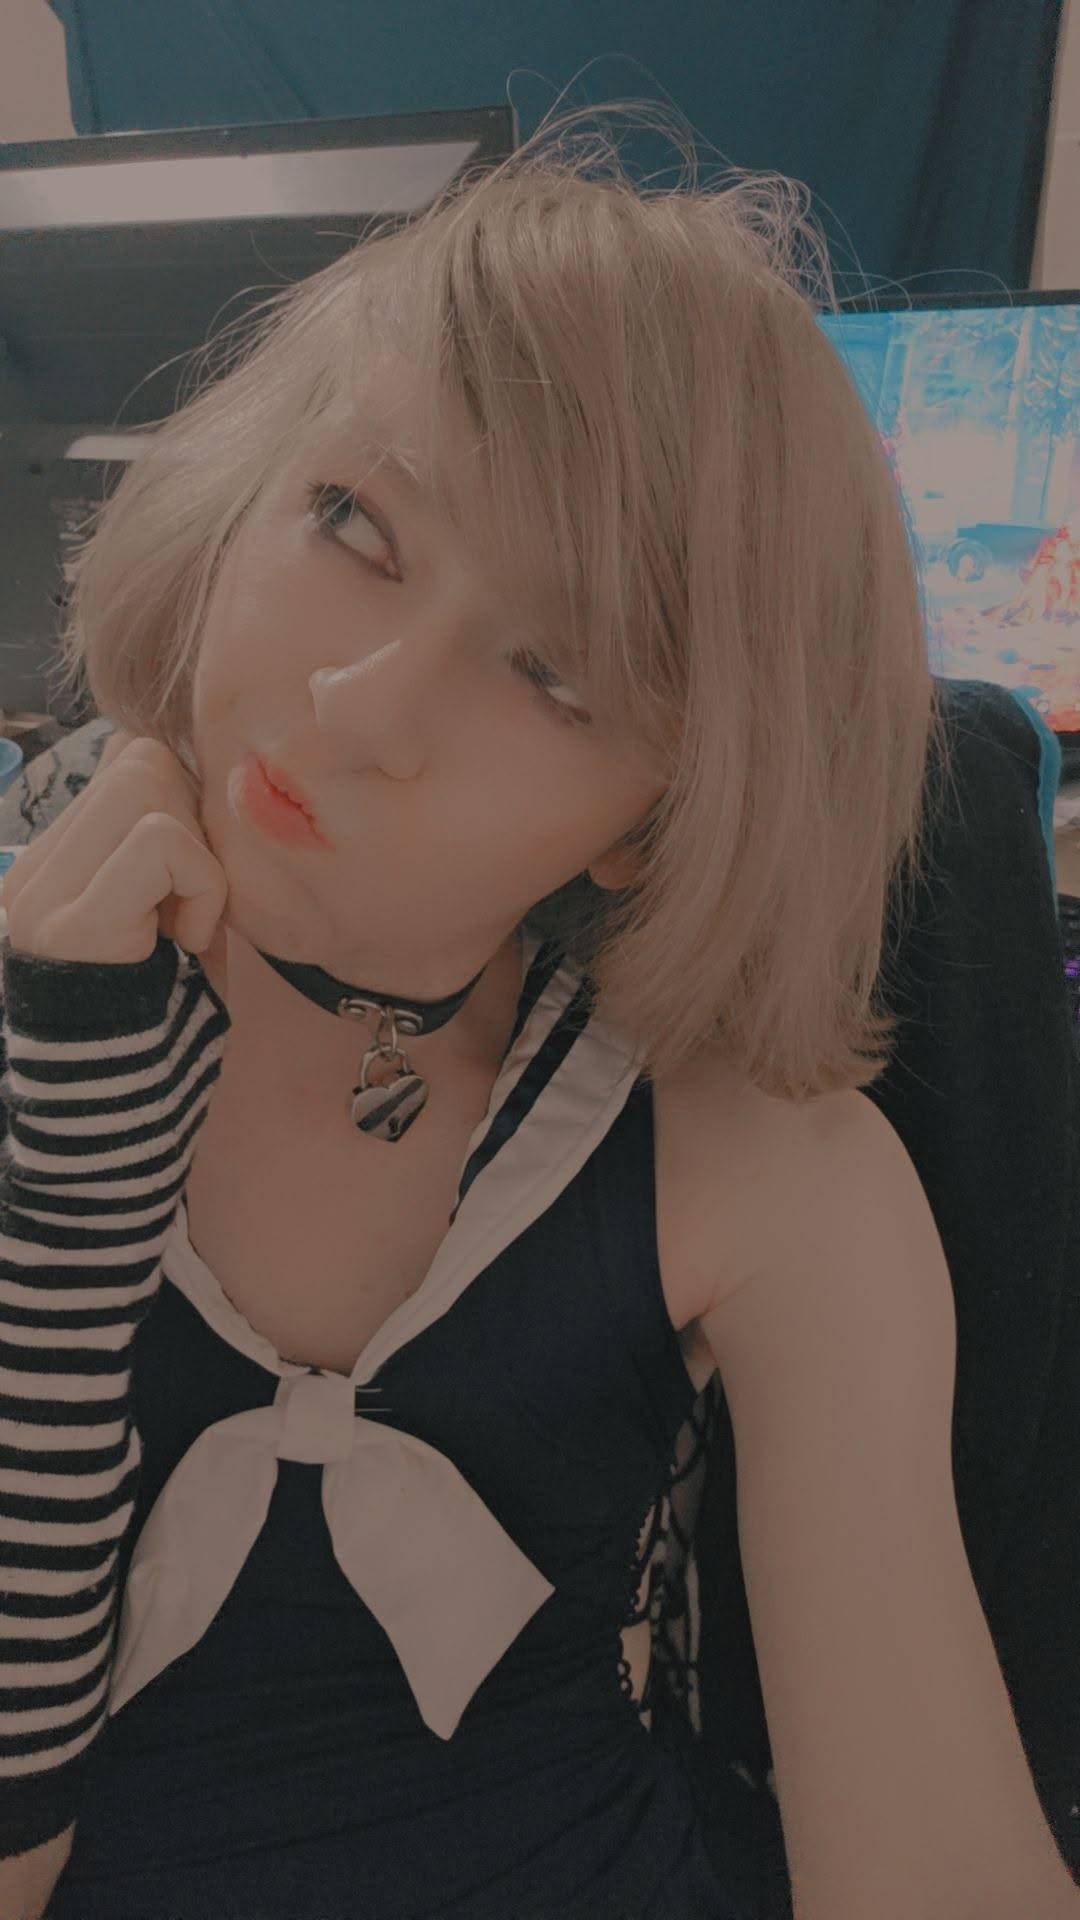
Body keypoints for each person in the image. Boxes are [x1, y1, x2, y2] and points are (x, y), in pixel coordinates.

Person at [0, 99, 961, 1920]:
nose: (360, 706)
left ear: (671, 808)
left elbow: (935, 1862)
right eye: (353, 521)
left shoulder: (763, 1163)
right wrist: (60, 1202)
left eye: (554, 672)